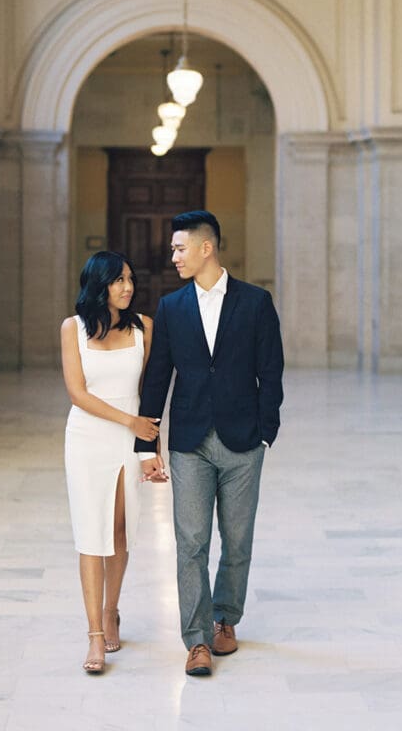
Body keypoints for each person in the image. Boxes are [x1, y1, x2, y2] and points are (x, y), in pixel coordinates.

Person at [136, 210, 284, 676]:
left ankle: (226, 619)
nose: (173, 256)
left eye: (180, 248)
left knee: (237, 541)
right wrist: (148, 442)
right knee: (191, 541)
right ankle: (196, 640)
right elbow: (159, 374)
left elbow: (272, 370)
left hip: (244, 442)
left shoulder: (256, 302)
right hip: (190, 442)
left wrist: (266, 430)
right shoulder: (171, 307)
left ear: (206, 248)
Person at [62, 251, 160, 674]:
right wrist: (130, 421)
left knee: (119, 529)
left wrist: (151, 448)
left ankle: (111, 611)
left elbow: (150, 395)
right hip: (87, 437)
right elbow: (78, 393)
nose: (127, 287)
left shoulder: (144, 329)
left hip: (130, 437)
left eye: (130, 280)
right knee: (91, 532)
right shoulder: (73, 328)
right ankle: (94, 637)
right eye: (119, 280)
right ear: (97, 284)